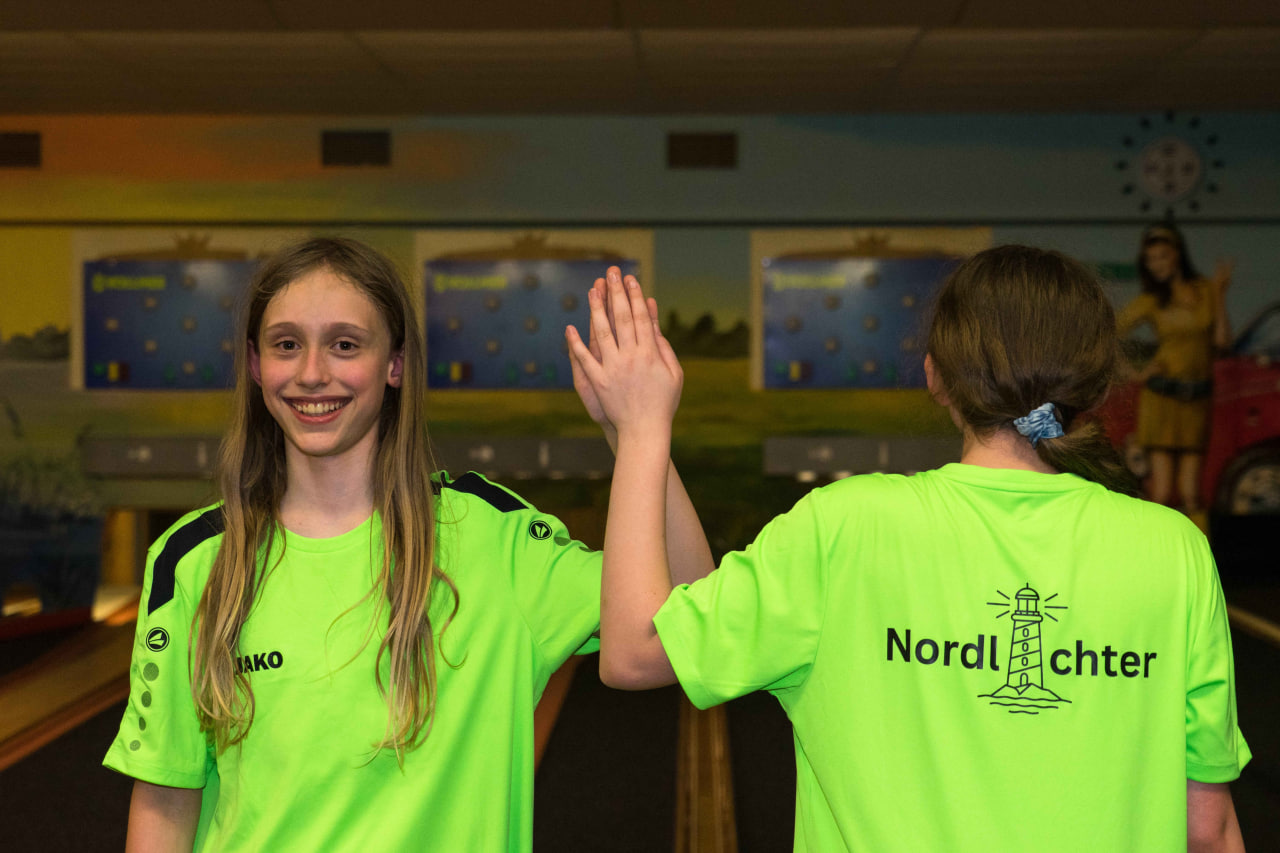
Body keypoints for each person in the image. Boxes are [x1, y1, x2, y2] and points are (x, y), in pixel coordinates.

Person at [568, 248, 1250, 852]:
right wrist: (634, 434)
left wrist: (640, 430)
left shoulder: (846, 527)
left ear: (935, 376)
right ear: (1097, 385)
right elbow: (1207, 829)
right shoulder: (1175, 552)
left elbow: (635, 651)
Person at [103, 239, 712, 851]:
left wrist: (635, 432)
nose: (312, 372)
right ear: (256, 365)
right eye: (286, 344)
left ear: (394, 364)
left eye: (345, 344)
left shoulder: (491, 539)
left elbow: (687, 618)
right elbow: (165, 801)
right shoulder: (197, 560)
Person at [1118, 223, 1233, 512]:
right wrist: (1136, 372)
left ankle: (1197, 542)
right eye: (1150, 259)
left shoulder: (1205, 289)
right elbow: (1110, 333)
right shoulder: (1151, 301)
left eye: (1162, 256)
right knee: (1162, 491)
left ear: (1177, 254)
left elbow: (1222, 341)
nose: (1157, 264)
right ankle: (1155, 542)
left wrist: (1220, 294)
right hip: (1162, 398)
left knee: (1192, 494)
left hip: (1197, 399)